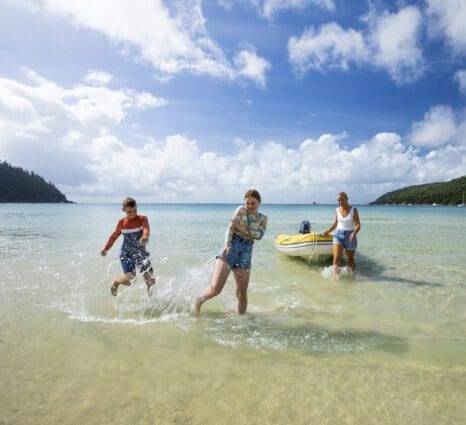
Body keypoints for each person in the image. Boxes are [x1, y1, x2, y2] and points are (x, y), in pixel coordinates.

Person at [192, 189, 267, 315]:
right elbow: (230, 228)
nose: (250, 206)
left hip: (246, 253)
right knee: (216, 289)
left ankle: (241, 323)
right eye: (247, 203)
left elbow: (259, 236)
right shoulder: (241, 210)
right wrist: (227, 244)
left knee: (242, 293)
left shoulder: (263, 218)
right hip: (230, 247)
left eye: (253, 203)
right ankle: (198, 301)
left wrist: (243, 230)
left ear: (259, 202)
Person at [101, 197, 155, 296]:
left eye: (135, 210)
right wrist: (106, 249)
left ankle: (150, 302)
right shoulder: (122, 222)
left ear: (137, 208)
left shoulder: (142, 218)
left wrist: (145, 236)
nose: (133, 213)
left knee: (150, 280)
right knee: (131, 280)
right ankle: (116, 282)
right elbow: (114, 236)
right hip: (126, 254)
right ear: (124, 210)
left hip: (141, 253)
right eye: (129, 211)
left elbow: (146, 228)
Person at [322, 192, 361, 275]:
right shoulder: (336, 210)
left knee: (350, 259)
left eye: (342, 199)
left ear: (346, 199)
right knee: (336, 258)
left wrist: (354, 233)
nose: (340, 201)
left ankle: (353, 276)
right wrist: (328, 231)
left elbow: (358, 225)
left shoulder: (353, 210)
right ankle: (336, 279)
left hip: (350, 236)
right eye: (338, 200)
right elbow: (336, 223)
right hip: (338, 235)